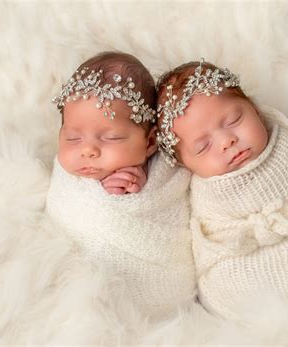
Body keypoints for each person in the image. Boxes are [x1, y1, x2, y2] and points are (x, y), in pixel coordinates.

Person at [156, 59, 288, 320]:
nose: (226, 141)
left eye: (234, 119)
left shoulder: (287, 149)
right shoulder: (203, 193)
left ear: (254, 108)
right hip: (239, 277)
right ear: (185, 166)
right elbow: (208, 236)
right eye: (202, 147)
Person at [46, 52, 196, 319]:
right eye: (72, 137)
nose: (88, 150)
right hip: (75, 290)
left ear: (149, 143)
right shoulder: (71, 178)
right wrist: (104, 193)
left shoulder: (168, 171)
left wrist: (140, 190)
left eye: (111, 137)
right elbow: (60, 213)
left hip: (152, 293)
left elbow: (173, 209)